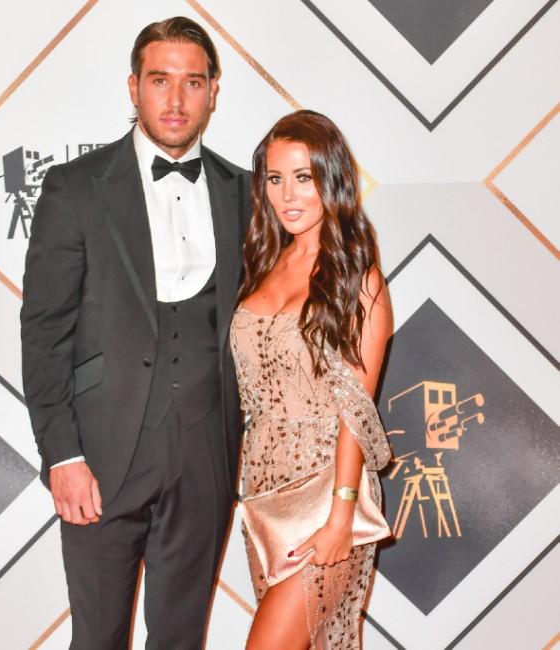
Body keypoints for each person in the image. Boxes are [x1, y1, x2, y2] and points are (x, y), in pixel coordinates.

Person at [21, 17, 250, 649]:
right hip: (97, 459)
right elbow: (43, 332)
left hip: (205, 457)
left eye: (192, 82)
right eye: (159, 80)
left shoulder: (246, 193)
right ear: (133, 87)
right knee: (98, 638)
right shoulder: (75, 188)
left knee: (181, 639)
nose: (176, 100)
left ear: (213, 91)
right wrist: (62, 456)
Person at [230, 109, 392, 649]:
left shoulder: (358, 280)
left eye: (304, 177)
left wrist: (342, 515)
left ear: (332, 179)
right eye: (275, 178)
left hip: (326, 494)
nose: (287, 195)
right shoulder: (262, 263)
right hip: (263, 495)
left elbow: (356, 411)